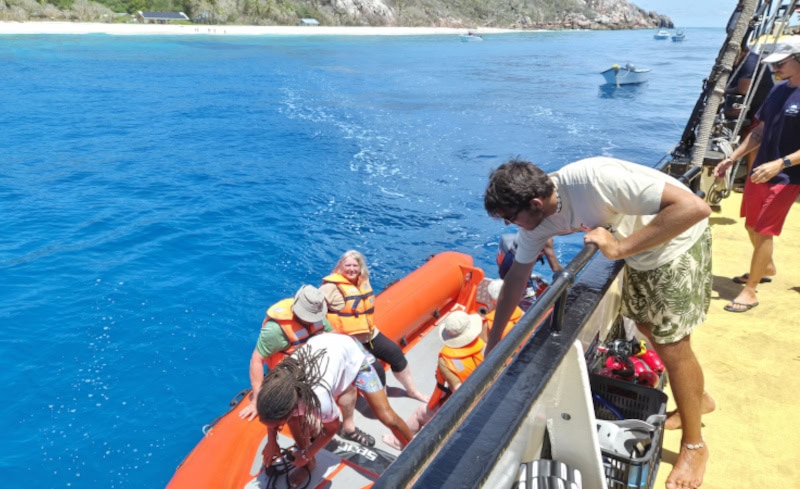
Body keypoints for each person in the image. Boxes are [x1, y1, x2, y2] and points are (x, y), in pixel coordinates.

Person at [484, 157, 713, 489]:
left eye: (510, 217)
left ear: (535, 203)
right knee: (647, 328)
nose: (510, 224)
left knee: (673, 347)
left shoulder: (593, 180)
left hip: (675, 246)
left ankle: (695, 446)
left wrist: (619, 248)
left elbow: (694, 208)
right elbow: (517, 278)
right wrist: (494, 346)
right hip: (640, 254)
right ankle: (698, 398)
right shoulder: (537, 221)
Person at [256, 333, 412, 488]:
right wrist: (272, 442)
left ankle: (415, 449)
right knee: (294, 419)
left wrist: (307, 453)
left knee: (386, 416)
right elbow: (272, 416)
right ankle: (308, 464)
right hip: (324, 350)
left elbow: (331, 429)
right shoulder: (272, 386)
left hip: (351, 353)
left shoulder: (318, 397)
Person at [713, 36, 800, 313]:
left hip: (787, 176)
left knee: (763, 231)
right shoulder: (777, 90)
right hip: (760, 169)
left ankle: (750, 290)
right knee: (751, 225)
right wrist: (732, 158)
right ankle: (767, 266)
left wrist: (781, 164)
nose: (775, 69)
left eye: (781, 63)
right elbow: (760, 132)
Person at [320, 250, 429, 403]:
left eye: (355, 265)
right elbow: (317, 310)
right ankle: (382, 404)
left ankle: (412, 391)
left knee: (396, 355)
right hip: (349, 340)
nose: (351, 269)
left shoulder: (363, 280)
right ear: (340, 266)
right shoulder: (330, 287)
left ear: (360, 267)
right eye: (347, 265)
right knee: (376, 369)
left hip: (369, 333)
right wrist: (329, 333)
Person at [382, 310, 486, 450]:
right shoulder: (483, 345)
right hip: (484, 394)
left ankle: (398, 442)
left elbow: (459, 391)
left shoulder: (446, 360)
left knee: (420, 413)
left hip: (465, 408)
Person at [239, 285, 333, 422]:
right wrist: (257, 400)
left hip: (313, 369)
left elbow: (332, 334)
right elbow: (257, 360)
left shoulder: (317, 316)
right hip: (287, 377)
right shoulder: (275, 330)